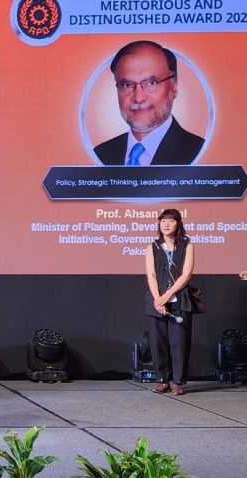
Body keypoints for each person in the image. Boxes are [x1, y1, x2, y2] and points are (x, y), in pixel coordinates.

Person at [95, 40, 204, 166]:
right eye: (127, 85)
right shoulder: (101, 154)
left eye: (151, 83)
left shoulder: (198, 152)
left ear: (174, 87)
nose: (138, 98)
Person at [144, 208, 196, 396]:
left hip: (179, 300)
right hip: (156, 300)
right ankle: (162, 380)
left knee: (179, 342)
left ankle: (178, 382)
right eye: (163, 220)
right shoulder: (152, 247)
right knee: (158, 342)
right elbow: (151, 275)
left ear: (178, 224)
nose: (166, 224)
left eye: (171, 220)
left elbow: (186, 274)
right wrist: (158, 299)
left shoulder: (187, 245)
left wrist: (167, 296)